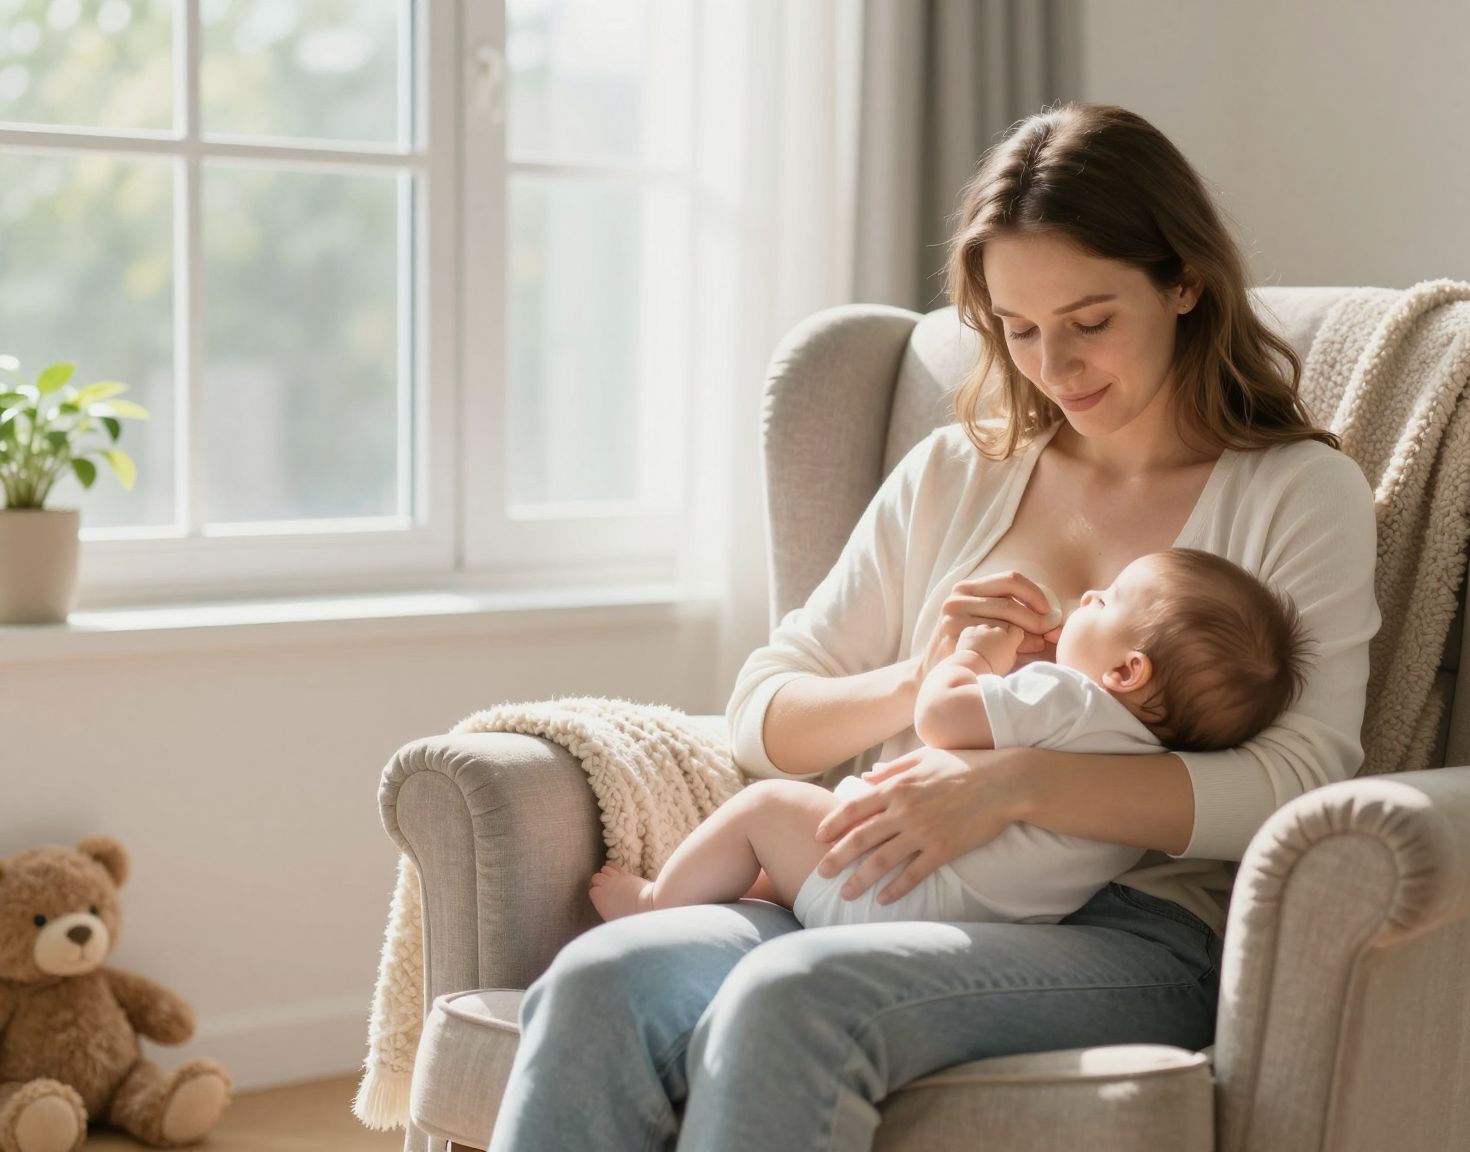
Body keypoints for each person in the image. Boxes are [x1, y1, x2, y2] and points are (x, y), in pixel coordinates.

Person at [492, 100, 1382, 1152]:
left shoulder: (1294, 492)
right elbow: (762, 716)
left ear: (1183, 282)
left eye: (1090, 321)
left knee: (797, 995)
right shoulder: (958, 473)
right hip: (885, 884)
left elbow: (1300, 783)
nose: (1055, 367)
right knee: (598, 980)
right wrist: (918, 683)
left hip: (1133, 928)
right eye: (1018, 331)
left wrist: (1014, 785)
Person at [587, 548, 1314, 929]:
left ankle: (655, 902)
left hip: (891, 887)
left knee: (768, 808)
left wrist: (972, 657)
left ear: (1126, 671)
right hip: (969, 918)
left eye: (1110, 599)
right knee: (788, 853)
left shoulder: (1067, 697)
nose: (1091, 594)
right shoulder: (1146, 768)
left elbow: (942, 718)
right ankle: (756, 891)